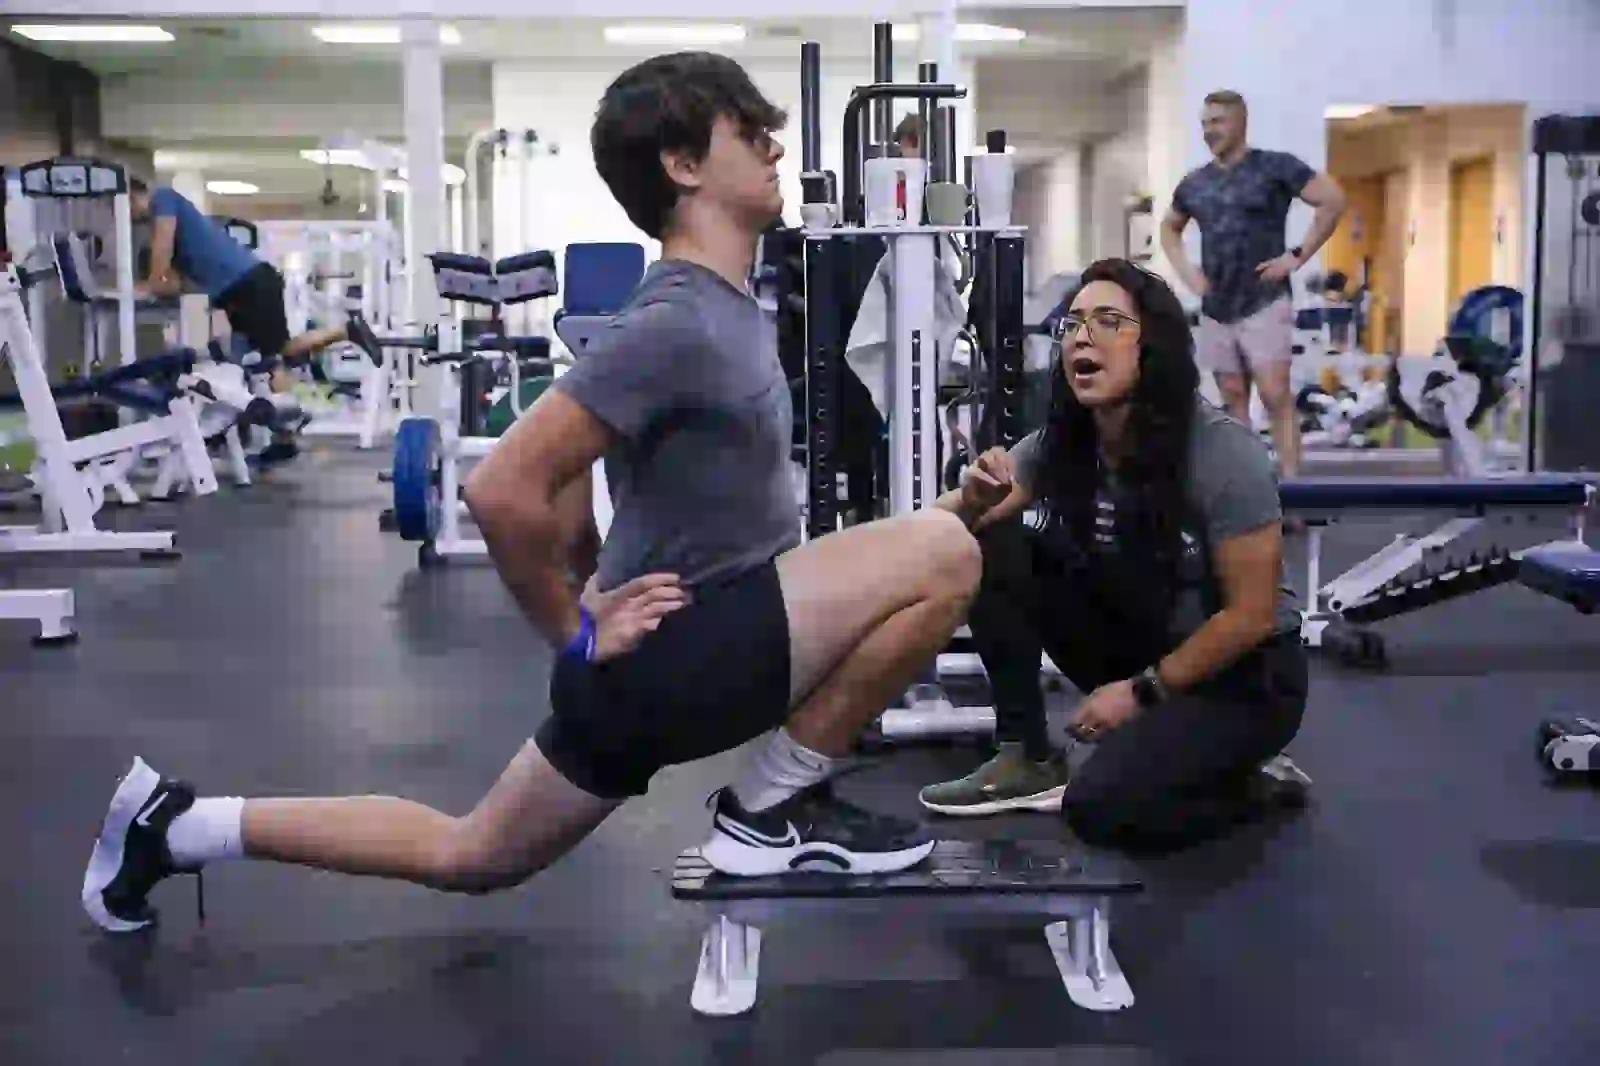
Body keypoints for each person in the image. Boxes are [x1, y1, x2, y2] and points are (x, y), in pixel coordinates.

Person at [84, 52, 982, 934]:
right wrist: (578, 628)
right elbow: (503, 484)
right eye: (750, 133)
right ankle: (776, 806)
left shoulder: (722, 306)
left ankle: (182, 825)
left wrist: (595, 574)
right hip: (685, 654)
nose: (774, 151)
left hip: (669, 660)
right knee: (943, 554)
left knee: (471, 854)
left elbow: (577, 469)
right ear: (684, 164)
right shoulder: (677, 318)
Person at [917, 257, 1311, 854]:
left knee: (1101, 808)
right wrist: (971, 500)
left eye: (1108, 321)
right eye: (1073, 323)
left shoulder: (1219, 449)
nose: (1083, 335)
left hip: (1247, 677)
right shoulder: (1067, 439)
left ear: (1151, 347)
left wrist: (1141, 691)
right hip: (1147, 632)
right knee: (989, 538)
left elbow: (1251, 616)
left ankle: (1255, 784)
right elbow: (946, 526)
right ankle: (1026, 752)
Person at [1160, 90, 1347, 478]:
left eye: (1218, 122)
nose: (1210, 131)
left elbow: (1332, 200)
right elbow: (1169, 228)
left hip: (1264, 300)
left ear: (1240, 122)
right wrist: (1189, 274)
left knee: (1276, 395)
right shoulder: (1195, 183)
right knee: (1231, 402)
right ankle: (1247, 495)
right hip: (1217, 307)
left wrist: (1296, 257)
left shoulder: (1274, 167)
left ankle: (1293, 494)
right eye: (1205, 123)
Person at [129, 178, 384, 390]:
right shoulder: (167, 235)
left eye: (124, 207)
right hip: (234, 294)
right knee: (246, 362)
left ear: (132, 195)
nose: (127, 217)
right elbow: (173, 284)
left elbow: (161, 251)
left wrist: (149, 284)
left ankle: (345, 333)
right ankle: (264, 432)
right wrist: (145, 290)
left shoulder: (163, 198)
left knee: (276, 355)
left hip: (249, 284)